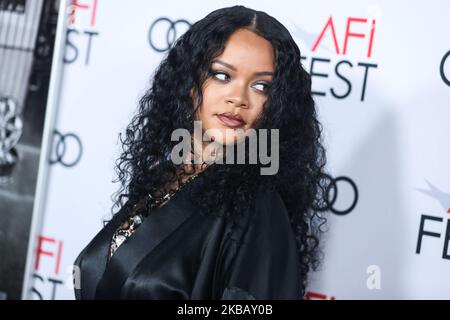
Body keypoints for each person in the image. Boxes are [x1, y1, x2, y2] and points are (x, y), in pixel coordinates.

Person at [73, 5, 329, 300]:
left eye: (261, 86)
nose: (238, 98)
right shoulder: (166, 177)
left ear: (277, 105)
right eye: (222, 75)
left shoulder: (257, 210)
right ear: (190, 82)